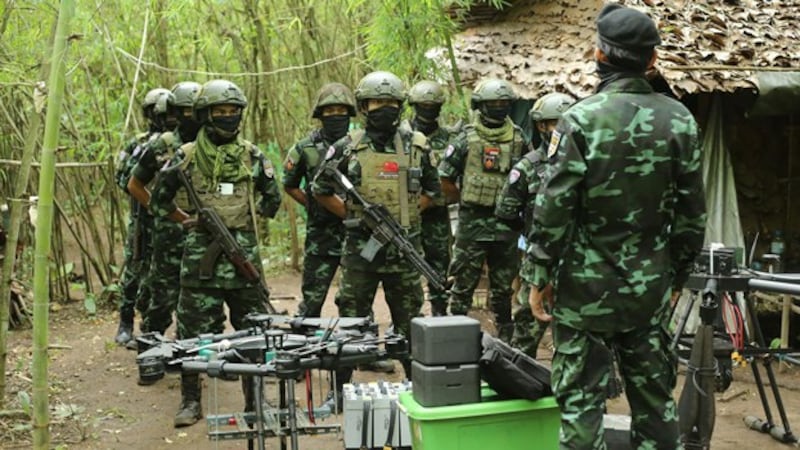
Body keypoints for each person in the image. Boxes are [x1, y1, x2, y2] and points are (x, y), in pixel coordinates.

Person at [525, 4, 706, 448]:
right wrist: (675, 276)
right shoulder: (679, 119)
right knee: (656, 404)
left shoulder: (580, 118)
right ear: (652, 60)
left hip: (584, 295)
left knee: (582, 407)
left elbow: (555, 207)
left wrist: (539, 274)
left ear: (598, 54)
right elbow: (692, 215)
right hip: (648, 290)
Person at [149, 79, 282, 427]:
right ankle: (190, 401)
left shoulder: (252, 156)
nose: (227, 118)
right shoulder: (187, 156)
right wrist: (189, 221)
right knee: (191, 334)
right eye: (219, 112)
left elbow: (273, 199)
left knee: (252, 332)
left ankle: (255, 402)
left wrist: (246, 225)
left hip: (243, 260)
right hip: (199, 264)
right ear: (206, 115)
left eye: (232, 112)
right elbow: (160, 200)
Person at [312, 71, 440, 407]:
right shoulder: (346, 147)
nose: (383, 108)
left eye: (391, 103)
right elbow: (320, 189)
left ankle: (420, 389)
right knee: (351, 323)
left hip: (404, 252)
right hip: (360, 255)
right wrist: (353, 217)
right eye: (376, 102)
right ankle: (338, 392)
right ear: (364, 106)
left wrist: (406, 217)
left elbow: (433, 191)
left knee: (411, 324)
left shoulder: (417, 146)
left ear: (400, 107)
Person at [438, 78, 525, 341]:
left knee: (502, 289)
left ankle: (506, 341)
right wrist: (466, 199)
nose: (498, 107)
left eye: (503, 103)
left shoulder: (519, 138)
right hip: (472, 223)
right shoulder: (465, 138)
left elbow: (527, 178)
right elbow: (444, 179)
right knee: (462, 285)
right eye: (492, 103)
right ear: (480, 106)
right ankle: (453, 339)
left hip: (506, 226)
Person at [495, 92, 575, 358]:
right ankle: (517, 378)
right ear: (541, 126)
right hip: (538, 259)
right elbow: (506, 212)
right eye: (555, 124)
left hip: (579, 260)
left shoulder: (588, 165)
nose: (562, 130)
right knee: (528, 327)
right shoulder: (528, 167)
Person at [127, 81, 202, 340]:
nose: (189, 117)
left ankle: (188, 353)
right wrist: (168, 213)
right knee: (162, 297)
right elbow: (134, 184)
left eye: (194, 110)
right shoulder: (162, 144)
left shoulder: (212, 144)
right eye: (183, 111)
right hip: (169, 235)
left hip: (205, 234)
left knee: (198, 301)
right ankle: (150, 349)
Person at [282, 83, 355, 318]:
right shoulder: (305, 147)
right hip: (321, 234)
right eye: (329, 111)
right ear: (320, 114)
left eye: (341, 111)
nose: (335, 116)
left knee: (354, 300)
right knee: (312, 300)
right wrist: (314, 204)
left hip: (356, 232)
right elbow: (289, 185)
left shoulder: (361, 144)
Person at [114, 87, 171, 346]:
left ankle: (155, 325)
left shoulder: (177, 143)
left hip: (170, 219)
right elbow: (122, 177)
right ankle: (126, 321)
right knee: (135, 270)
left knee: (165, 274)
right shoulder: (137, 144)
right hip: (143, 217)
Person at [406, 80, 454, 316]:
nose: (427, 110)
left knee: (439, 265)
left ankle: (439, 312)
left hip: (437, 214)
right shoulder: (402, 136)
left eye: (432, 106)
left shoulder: (449, 138)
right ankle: (407, 317)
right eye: (423, 105)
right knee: (406, 265)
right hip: (407, 212)